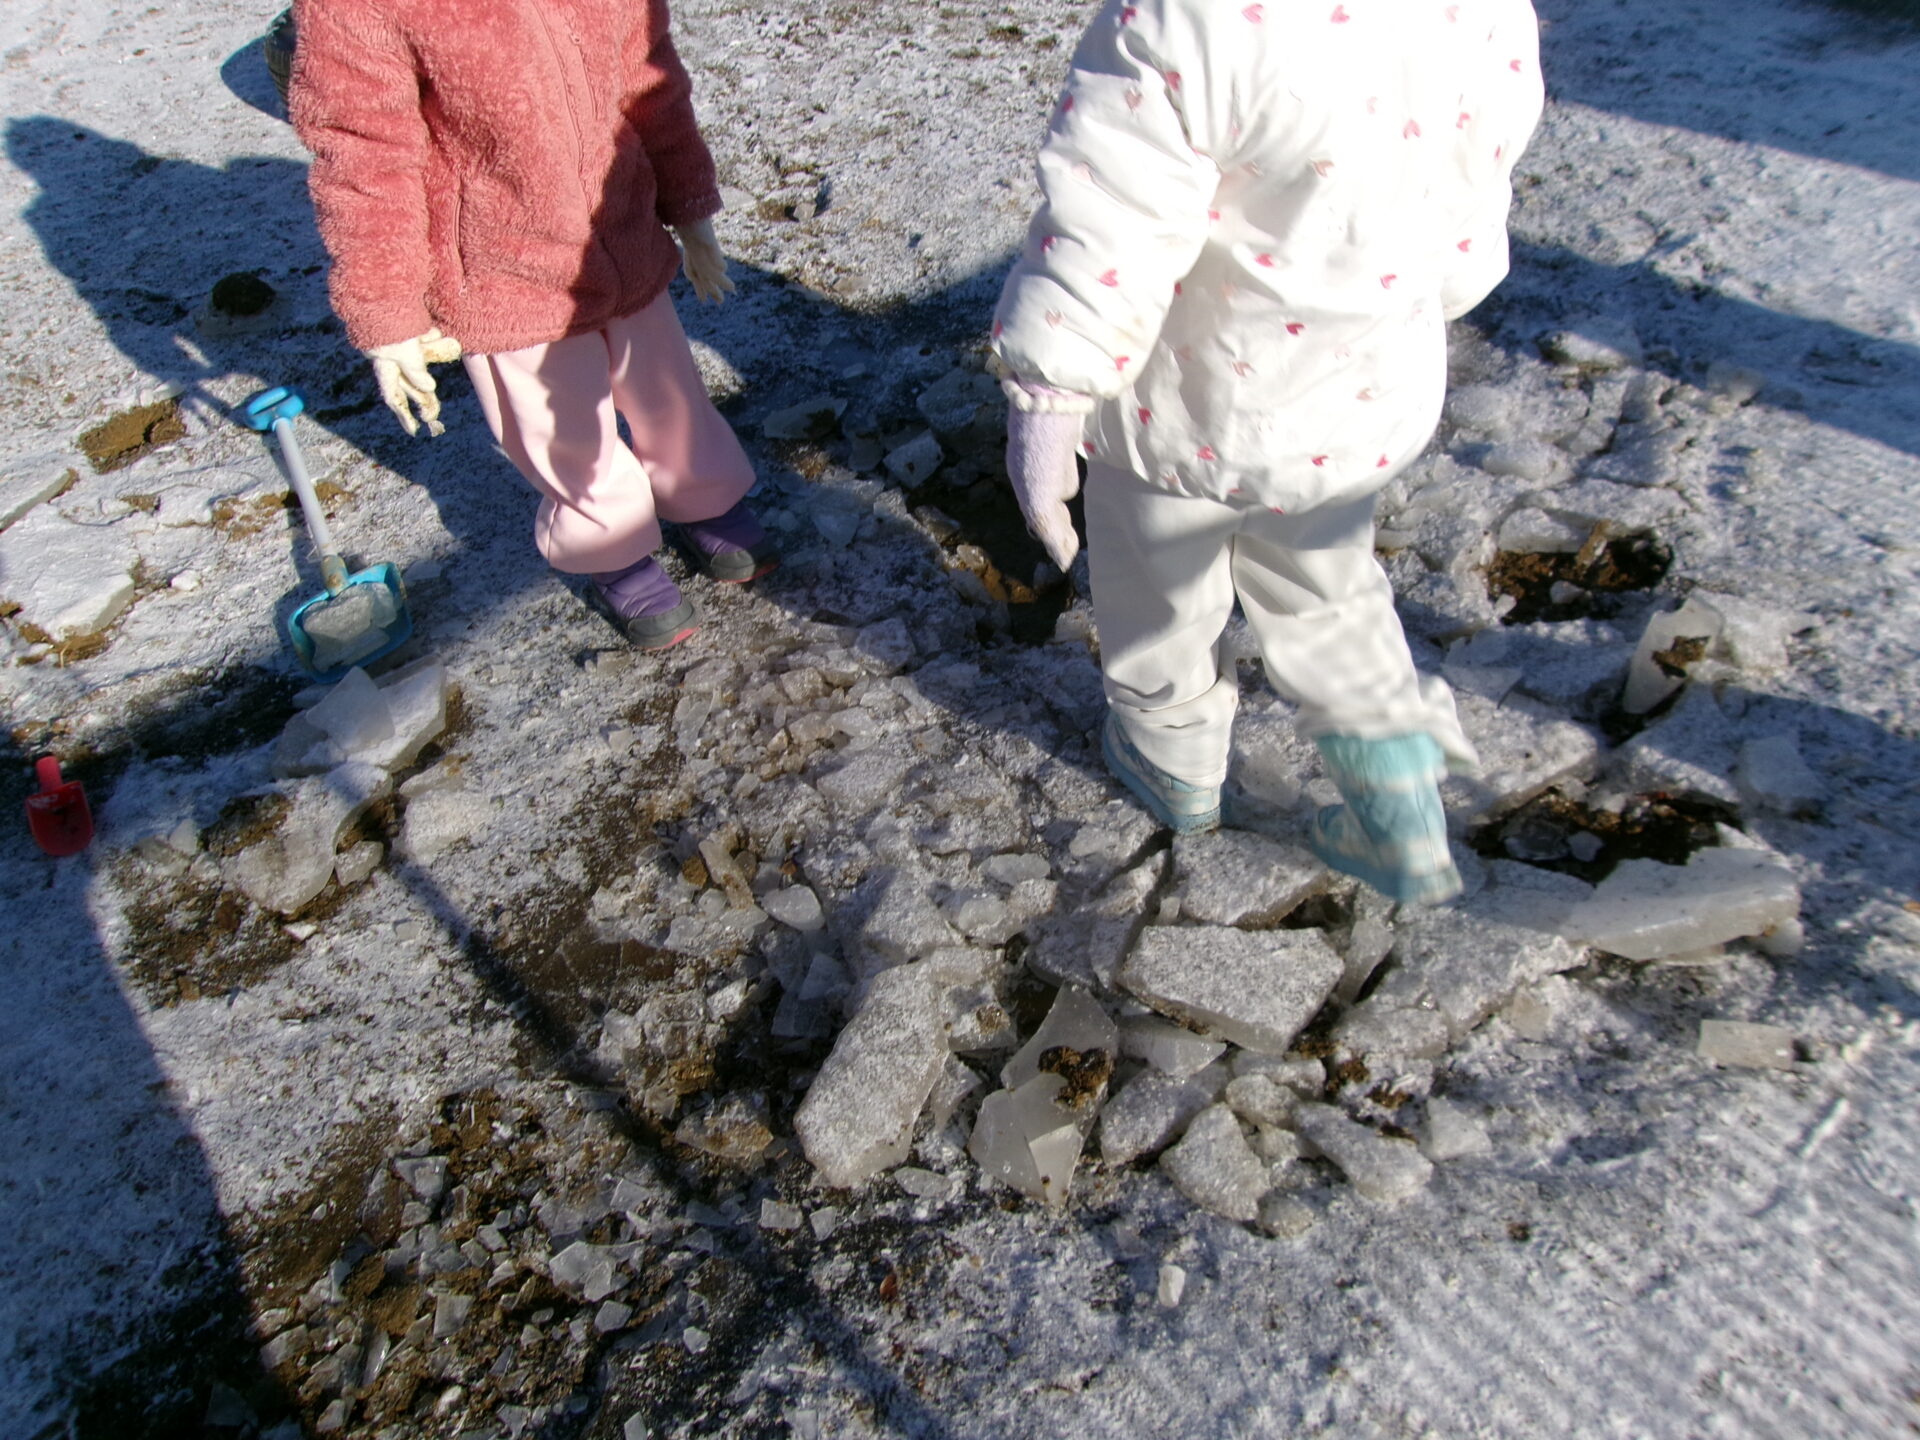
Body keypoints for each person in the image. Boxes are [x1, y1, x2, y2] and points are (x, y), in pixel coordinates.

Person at [993, 0, 1543, 903]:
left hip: (1183, 408)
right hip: (1348, 399)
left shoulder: (1182, 19)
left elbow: (1111, 223)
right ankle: (1398, 807)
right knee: (1333, 599)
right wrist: (1437, 291)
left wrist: (1050, 395)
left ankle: (1174, 762)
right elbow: (1476, 172)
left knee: (1159, 590)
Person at [288, 0, 776, 651]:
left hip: (623, 229)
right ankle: (611, 545)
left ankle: (702, 493)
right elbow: (365, 151)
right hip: (501, 269)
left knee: (670, 394)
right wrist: (389, 308)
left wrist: (687, 204)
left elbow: (648, 74)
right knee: (563, 429)